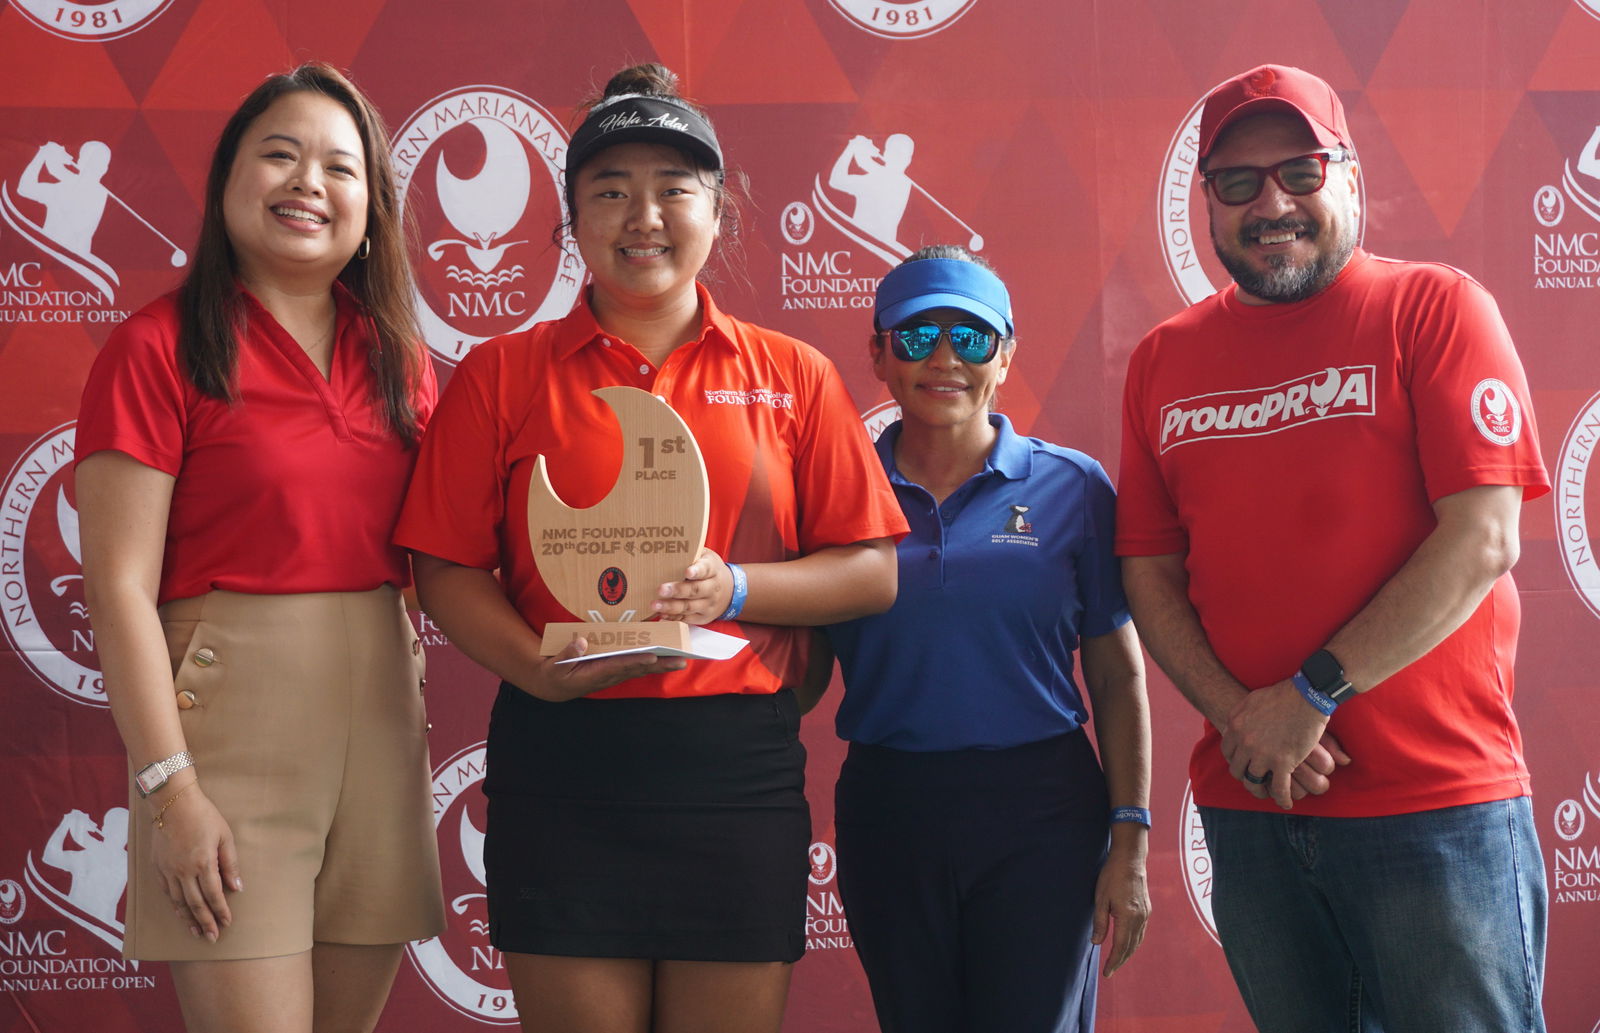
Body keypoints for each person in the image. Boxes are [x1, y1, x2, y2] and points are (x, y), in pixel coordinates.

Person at [393, 63, 906, 1033]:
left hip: (734, 772)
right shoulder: (503, 375)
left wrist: (736, 585)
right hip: (563, 763)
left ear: (718, 212)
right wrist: (536, 673)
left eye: (674, 189)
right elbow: (444, 569)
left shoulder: (790, 374)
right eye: (611, 190)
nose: (645, 215)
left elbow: (871, 570)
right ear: (571, 223)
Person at [1117, 64, 1550, 1032]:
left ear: (1347, 176)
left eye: (1299, 171)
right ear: (1208, 204)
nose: (1271, 202)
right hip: (1254, 806)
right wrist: (1244, 719)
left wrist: (1308, 695)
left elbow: (1481, 539)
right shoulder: (1160, 358)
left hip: (1432, 808)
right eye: (1238, 182)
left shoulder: (1434, 309)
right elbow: (1145, 570)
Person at [77, 63, 444, 1033]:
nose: (308, 183)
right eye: (279, 154)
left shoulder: (402, 358)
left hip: (380, 724)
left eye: (339, 166)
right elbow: (116, 586)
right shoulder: (156, 347)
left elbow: (441, 562)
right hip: (224, 737)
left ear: (373, 206)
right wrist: (172, 789)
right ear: (227, 178)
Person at [819, 247, 1151, 1033]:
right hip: (889, 807)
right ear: (877, 352)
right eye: (916, 336)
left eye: (970, 339)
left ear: (1005, 355)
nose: (943, 360)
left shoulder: (1073, 488)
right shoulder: (835, 490)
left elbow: (1117, 676)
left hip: (1042, 810)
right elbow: (795, 664)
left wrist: (1130, 837)